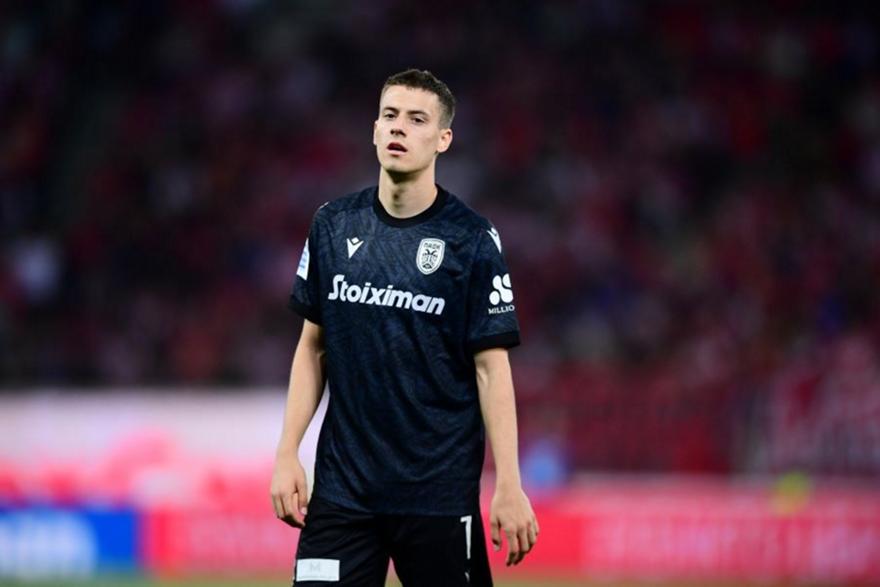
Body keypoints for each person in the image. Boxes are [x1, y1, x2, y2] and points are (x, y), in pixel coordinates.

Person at [270, 68, 538, 586]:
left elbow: (491, 369)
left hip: (438, 496)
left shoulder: (472, 240)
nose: (399, 127)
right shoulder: (332, 225)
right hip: (343, 494)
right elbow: (312, 348)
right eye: (390, 115)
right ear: (374, 129)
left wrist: (509, 483)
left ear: (443, 139)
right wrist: (287, 453)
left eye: (417, 120)